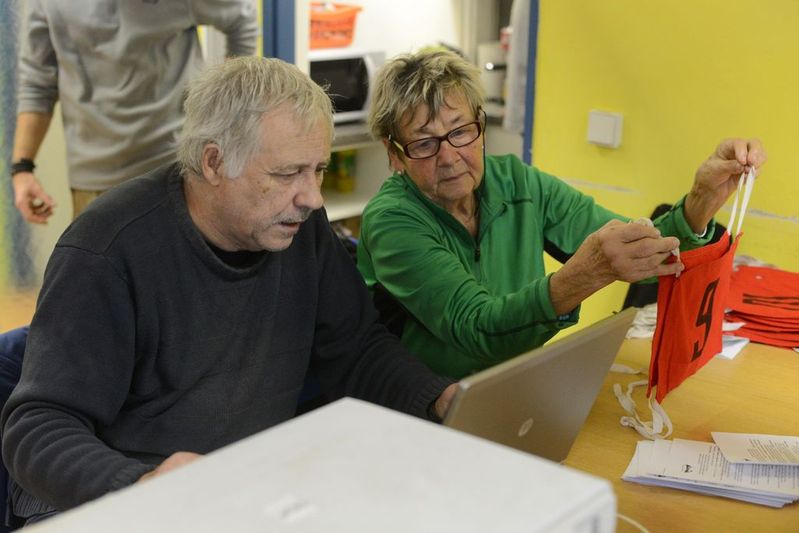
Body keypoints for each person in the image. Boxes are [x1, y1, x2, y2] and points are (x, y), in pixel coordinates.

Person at [1, 56, 457, 524]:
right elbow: (37, 428)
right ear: (214, 162)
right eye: (287, 173)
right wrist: (142, 484)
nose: (312, 197)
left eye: (318, 169)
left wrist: (440, 400)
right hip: (114, 502)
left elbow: (357, 350)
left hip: (242, 490)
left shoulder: (301, 229)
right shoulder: (108, 250)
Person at [356, 49, 767, 379]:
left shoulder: (517, 184)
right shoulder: (393, 220)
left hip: (515, 385)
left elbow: (635, 252)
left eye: (460, 131)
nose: (449, 157)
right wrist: (585, 275)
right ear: (395, 155)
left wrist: (701, 199)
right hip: (424, 408)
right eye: (424, 144)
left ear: (480, 126)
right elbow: (479, 329)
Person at [10, 0, 258, 223]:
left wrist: (225, 112)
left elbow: (241, 18)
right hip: (92, 179)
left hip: (175, 169)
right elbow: (37, 83)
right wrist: (23, 168)